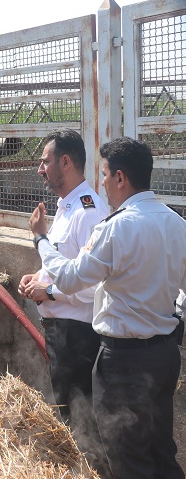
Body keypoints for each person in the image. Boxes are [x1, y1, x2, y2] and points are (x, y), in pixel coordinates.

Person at [23, 137, 186, 479]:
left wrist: (41, 240)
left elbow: (70, 278)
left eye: (106, 175)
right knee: (161, 452)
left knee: (127, 459)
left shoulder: (116, 228)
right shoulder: (176, 223)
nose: (103, 183)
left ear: (121, 178)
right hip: (164, 354)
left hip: (125, 361)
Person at [17, 129, 109, 473]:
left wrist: (50, 292)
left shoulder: (89, 212)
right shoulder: (67, 207)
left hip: (78, 337)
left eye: (45, 162)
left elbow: (95, 285)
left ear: (65, 162)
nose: (40, 169)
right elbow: (66, 266)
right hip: (62, 334)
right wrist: (37, 277)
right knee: (68, 418)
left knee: (81, 424)